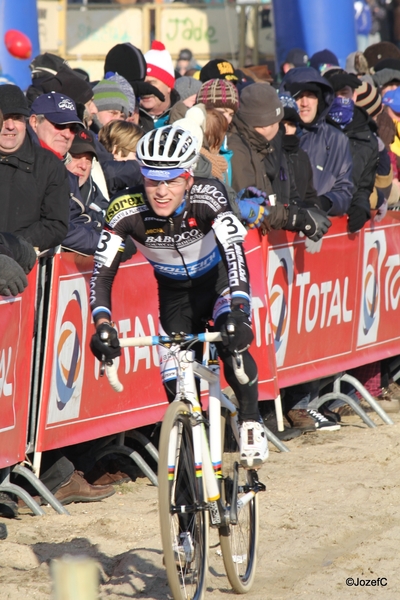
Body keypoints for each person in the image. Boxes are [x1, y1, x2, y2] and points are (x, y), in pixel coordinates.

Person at [89, 124, 268, 469]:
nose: (160, 191)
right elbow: (103, 272)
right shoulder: (124, 209)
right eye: (153, 180)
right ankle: (191, 483)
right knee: (178, 392)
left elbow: (235, 252)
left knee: (232, 337)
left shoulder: (209, 195)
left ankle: (249, 420)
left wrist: (241, 310)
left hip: (216, 285)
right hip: (174, 298)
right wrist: (102, 324)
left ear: (188, 179)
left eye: (171, 180)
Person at [280, 66, 354, 223]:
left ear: (319, 100)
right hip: (280, 230)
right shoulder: (273, 135)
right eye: (298, 96)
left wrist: (321, 203)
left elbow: (345, 190)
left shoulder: (337, 140)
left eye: (311, 96)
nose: (305, 103)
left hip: (322, 231)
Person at [0, 85, 70, 252]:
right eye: (4, 117)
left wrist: (13, 246)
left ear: (25, 122)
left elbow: (55, 224)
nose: (10, 126)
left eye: (17, 118)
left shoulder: (49, 165)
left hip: (23, 269)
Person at [139, 41, 179, 132]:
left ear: (169, 86)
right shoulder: (130, 118)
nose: (146, 89)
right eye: (142, 83)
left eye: (152, 83)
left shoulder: (183, 117)